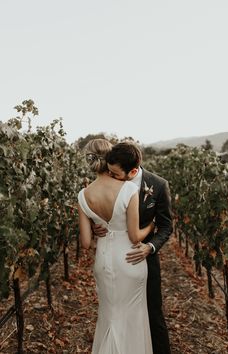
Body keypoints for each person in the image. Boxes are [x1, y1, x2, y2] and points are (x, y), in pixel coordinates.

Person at [93, 141, 173, 354]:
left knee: (153, 314)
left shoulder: (158, 185)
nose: (110, 176)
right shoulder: (110, 179)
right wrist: (95, 226)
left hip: (144, 258)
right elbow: (99, 208)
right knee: (117, 312)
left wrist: (151, 247)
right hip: (114, 259)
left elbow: (166, 226)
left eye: (115, 173)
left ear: (134, 171)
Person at [77, 138, 154, 354]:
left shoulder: (83, 195)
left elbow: (85, 243)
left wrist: (95, 228)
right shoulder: (128, 189)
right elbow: (134, 237)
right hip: (130, 260)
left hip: (103, 261)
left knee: (109, 316)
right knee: (134, 318)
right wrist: (151, 225)